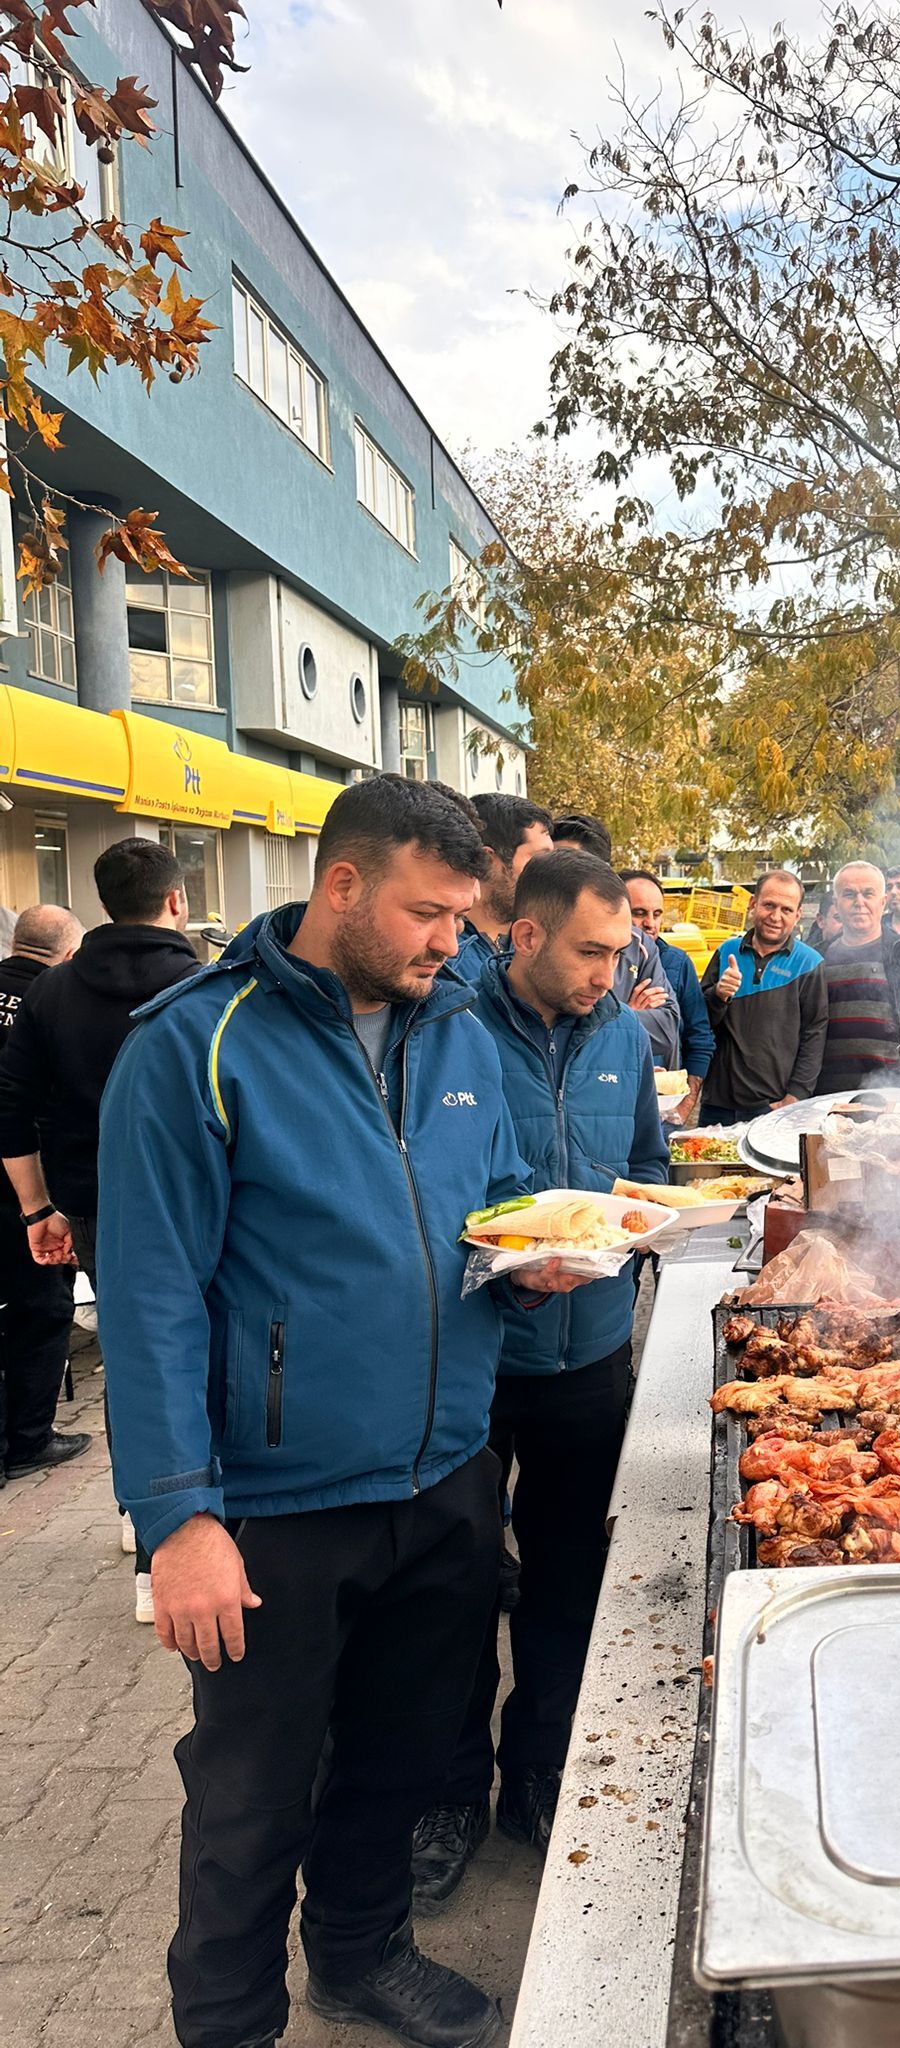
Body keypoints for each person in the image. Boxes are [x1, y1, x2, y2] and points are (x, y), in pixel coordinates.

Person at [95, 776, 555, 2048]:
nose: (450, 941)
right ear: (341, 884)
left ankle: (359, 1954)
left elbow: (495, 1202)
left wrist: (532, 1255)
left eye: (462, 917)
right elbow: (148, 1298)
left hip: (446, 1473)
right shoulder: (195, 1043)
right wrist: (178, 1520)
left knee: (397, 1755)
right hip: (274, 1504)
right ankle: (229, 2023)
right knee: (251, 1795)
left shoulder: (456, 1029)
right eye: (426, 913)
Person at [412, 851, 669, 1898]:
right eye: (593, 951)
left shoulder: (622, 1033)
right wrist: (506, 1260)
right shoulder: (447, 1029)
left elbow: (645, 1167)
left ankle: (538, 1771)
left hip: (592, 1350)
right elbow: (427, 1195)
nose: (613, 973)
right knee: (458, 1588)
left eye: (622, 952)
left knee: (567, 1578)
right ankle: (446, 1794)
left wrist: (646, 1221)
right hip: (476, 1356)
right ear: (525, 935)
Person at [0, 839, 201, 1612]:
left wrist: (36, 1208)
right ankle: (189, 1525)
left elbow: (11, 1109)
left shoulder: (53, 991)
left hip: (92, 1204)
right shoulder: (207, 987)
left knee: (133, 1351)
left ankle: (140, 1515)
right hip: (198, 1201)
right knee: (201, 1351)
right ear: (176, 901)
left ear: (103, 903)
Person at [0, 904, 86, 1483]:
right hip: (24, 1186)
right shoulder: (54, 1002)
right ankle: (29, 1439)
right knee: (43, 1310)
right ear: (69, 953)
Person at [550, 813, 681, 1067]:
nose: (604, 981)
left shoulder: (640, 947)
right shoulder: (530, 938)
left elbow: (667, 1029)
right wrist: (625, 1016)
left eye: (616, 954)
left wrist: (618, 1017)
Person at [700, 870, 828, 1123]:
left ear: (797, 915)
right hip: (718, 1103)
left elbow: (815, 1033)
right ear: (753, 904)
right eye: (769, 905)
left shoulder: (809, 964)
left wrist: (796, 1095)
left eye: (786, 909)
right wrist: (718, 995)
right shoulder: (727, 952)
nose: (775, 916)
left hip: (774, 1105)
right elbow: (699, 1024)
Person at [815, 862, 900, 1096]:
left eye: (868, 894)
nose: (859, 902)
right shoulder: (817, 958)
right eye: (849, 894)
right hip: (828, 1091)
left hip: (892, 1089)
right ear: (836, 903)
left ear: (883, 901)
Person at [620, 869, 714, 1124]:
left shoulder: (677, 963)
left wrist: (684, 1106)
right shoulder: (601, 965)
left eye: (657, 913)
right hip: (616, 1106)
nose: (650, 923)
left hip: (663, 1114)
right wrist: (628, 1014)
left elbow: (700, 1038)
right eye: (639, 913)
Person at [456, 794, 554, 978]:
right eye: (538, 860)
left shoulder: (542, 945)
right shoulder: (444, 950)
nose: (550, 873)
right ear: (486, 860)